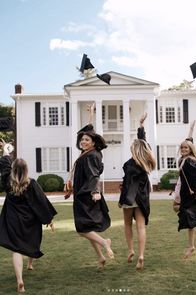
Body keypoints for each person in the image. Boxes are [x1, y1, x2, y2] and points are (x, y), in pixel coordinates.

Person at [0, 140, 57, 293]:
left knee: (16, 249)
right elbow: (41, 201)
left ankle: (20, 280)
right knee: (32, 240)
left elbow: (5, 163)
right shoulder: (31, 183)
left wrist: (6, 149)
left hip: (12, 219)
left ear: (13, 169)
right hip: (29, 219)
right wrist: (49, 219)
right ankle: (30, 264)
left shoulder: (7, 180)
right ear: (26, 169)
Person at [70, 103, 114, 269]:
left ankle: (104, 242)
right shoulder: (88, 153)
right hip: (81, 193)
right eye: (82, 140)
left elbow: (94, 175)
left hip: (86, 194)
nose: (83, 141)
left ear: (94, 142)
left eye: (87, 140)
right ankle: (101, 258)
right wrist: (90, 115)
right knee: (86, 228)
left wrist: (96, 191)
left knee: (82, 229)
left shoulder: (91, 156)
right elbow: (87, 130)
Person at [118, 113, 156, 270]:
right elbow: (143, 143)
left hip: (128, 197)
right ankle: (141, 255)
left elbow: (127, 181)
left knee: (127, 225)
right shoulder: (145, 162)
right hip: (141, 198)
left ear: (134, 149)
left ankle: (131, 250)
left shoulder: (130, 164)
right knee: (141, 226)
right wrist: (141, 126)